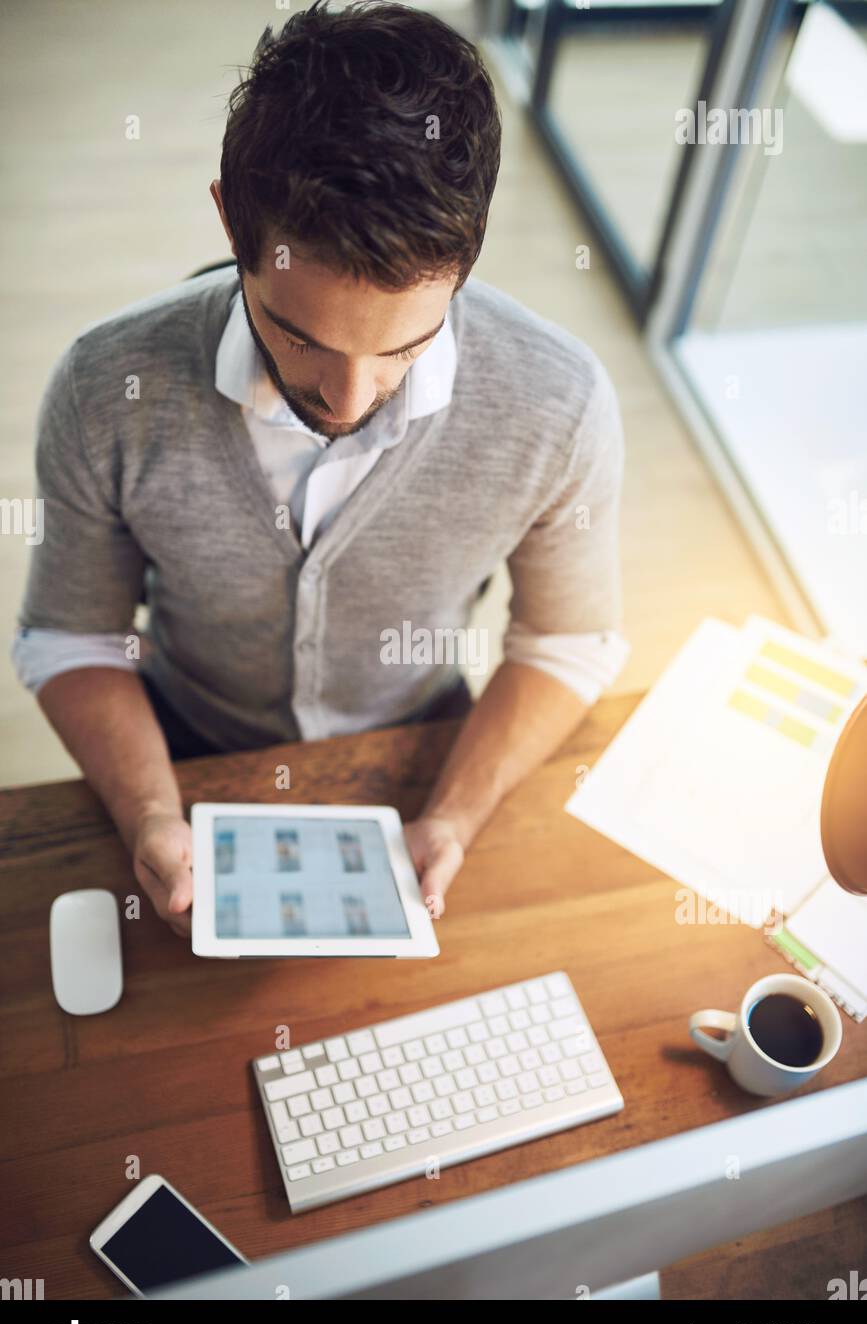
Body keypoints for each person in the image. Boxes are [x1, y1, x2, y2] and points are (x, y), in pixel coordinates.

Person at [13, 1, 629, 937]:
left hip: (428, 747)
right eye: (300, 337)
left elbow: (564, 644)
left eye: (403, 348)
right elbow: (76, 637)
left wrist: (455, 813)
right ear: (230, 219)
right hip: (181, 746)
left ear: (465, 257)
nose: (347, 399)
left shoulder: (560, 401)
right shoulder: (105, 385)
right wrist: (148, 812)